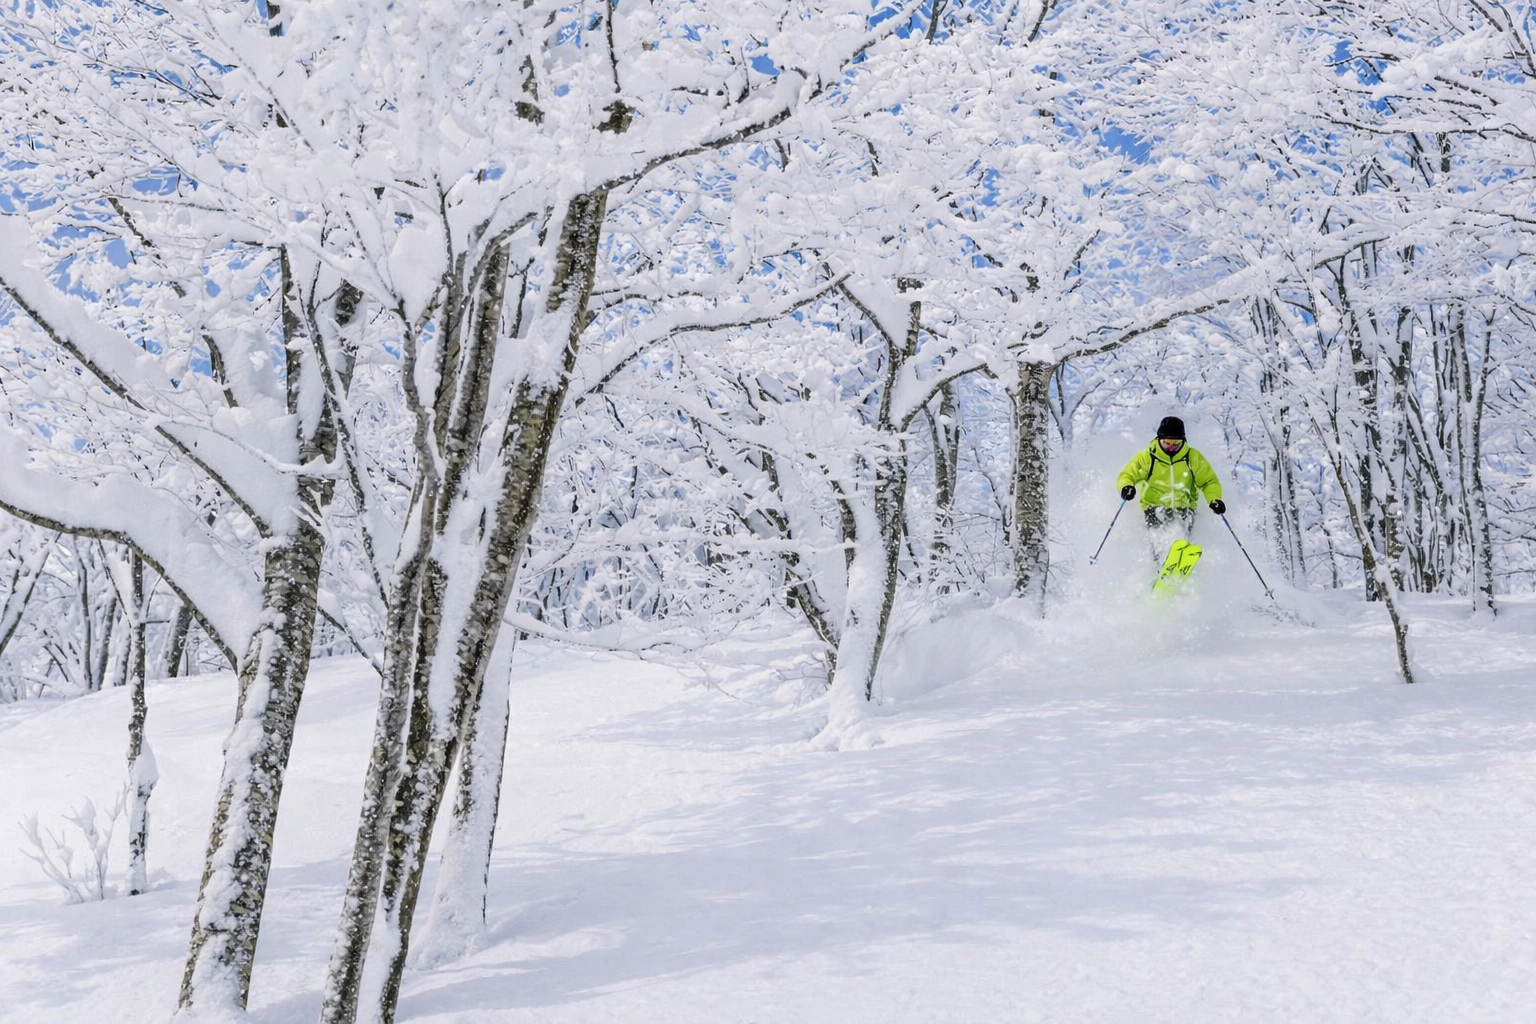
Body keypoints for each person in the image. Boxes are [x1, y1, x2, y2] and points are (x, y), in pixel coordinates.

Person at [1115, 416, 1225, 558]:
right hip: (1153, 507)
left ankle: (1179, 564)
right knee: (1158, 537)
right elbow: (1127, 475)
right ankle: (1159, 563)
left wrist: (1214, 499)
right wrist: (1126, 487)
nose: (1171, 448)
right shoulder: (1148, 457)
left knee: (1180, 530)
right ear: (1159, 439)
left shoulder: (1192, 458)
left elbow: (1209, 481)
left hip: (1184, 507)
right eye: (1167, 443)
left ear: (1183, 441)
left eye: (1176, 444)